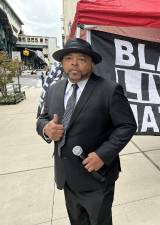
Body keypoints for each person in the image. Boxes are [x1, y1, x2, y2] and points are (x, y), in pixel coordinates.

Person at [36, 38, 137, 225]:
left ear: (92, 63)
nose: (74, 63)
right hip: (66, 176)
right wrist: (46, 129)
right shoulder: (54, 90)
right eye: (68, 58)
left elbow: (127, 125)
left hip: (96, 177)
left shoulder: (109, 90)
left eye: (81, 59)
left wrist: (102, 155)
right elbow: (42, 118)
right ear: (62, 63)